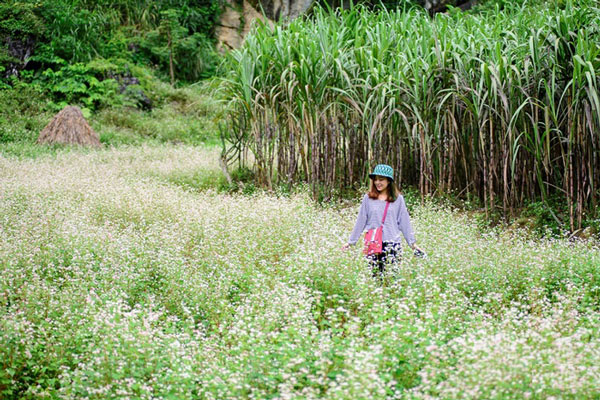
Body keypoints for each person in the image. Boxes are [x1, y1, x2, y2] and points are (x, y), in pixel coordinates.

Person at [342, 164, 425, 276]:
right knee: (375, 278)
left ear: (389, 181)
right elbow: (361, 221)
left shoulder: (398, 199)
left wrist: (412, 244)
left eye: (381, 179)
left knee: (392, 278)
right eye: (375, 180)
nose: (378, 183)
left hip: (392, 244)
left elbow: (404, 222)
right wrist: (351, 242)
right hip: (373, 243)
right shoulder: (368, 198)